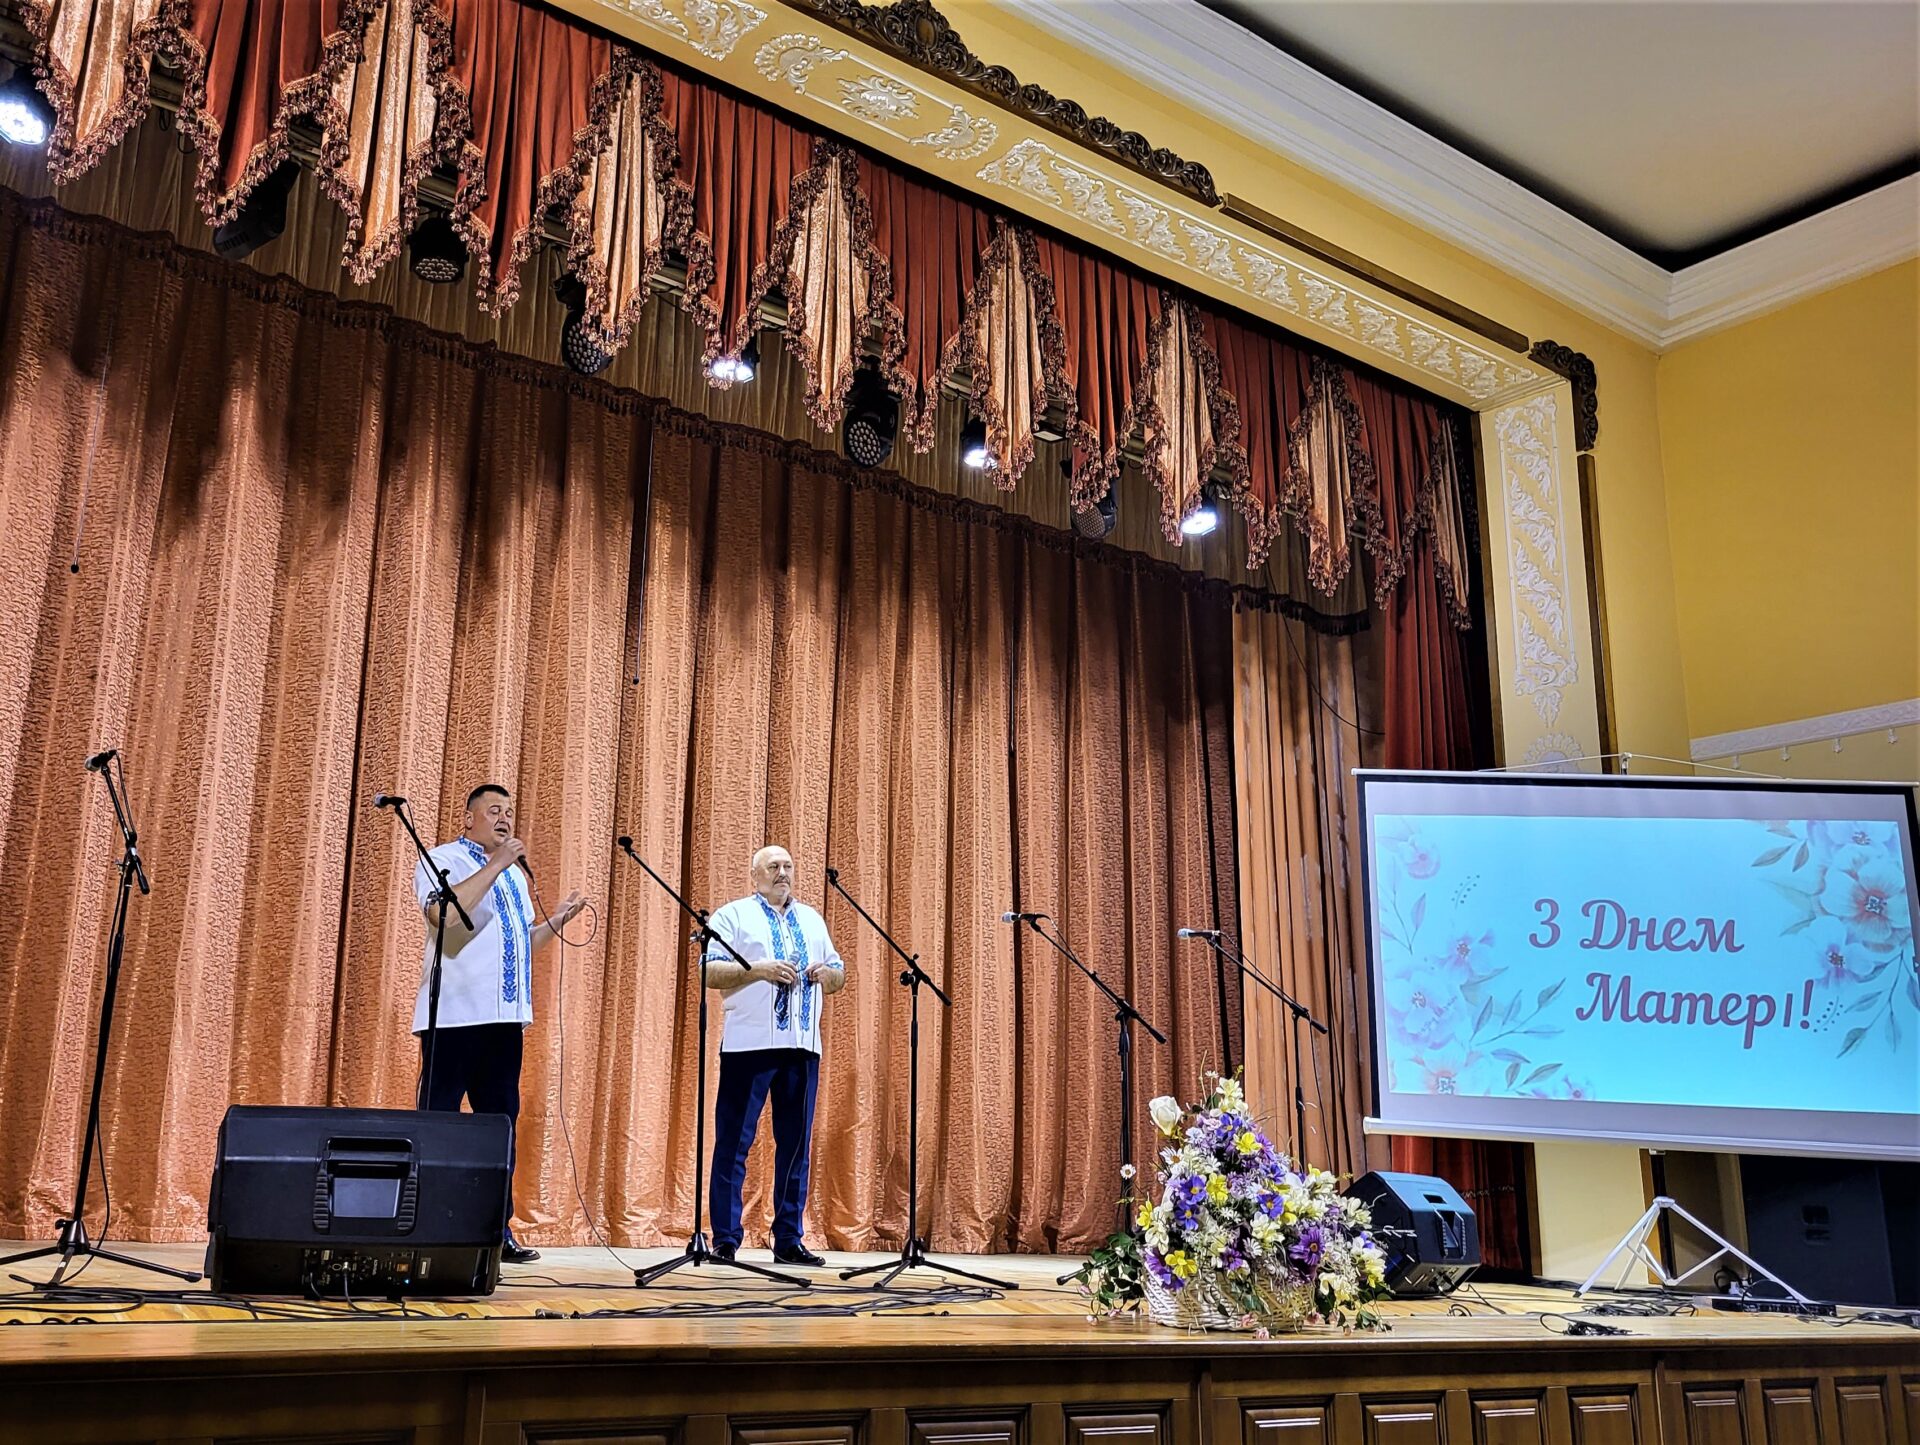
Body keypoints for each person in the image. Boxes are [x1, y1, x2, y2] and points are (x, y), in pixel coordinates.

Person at [413, 782, 584, 1264]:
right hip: (454, 1017)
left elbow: (521, 943)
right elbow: (443, 917)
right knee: (440, 1121)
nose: (504, 818)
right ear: (469, 818)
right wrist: (495, 864)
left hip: (504, 1020)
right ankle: (428, 1223)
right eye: (493, 810)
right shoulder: (443, 858)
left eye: (509, 811)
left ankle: (495, 1228)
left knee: (500, 1125)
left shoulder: (512, 878)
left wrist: (557, 921)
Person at [702, 844, 845, 1266]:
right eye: (773, 866)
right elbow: (708, 970)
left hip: (802, 1046)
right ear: (755, 875)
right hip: (749, 1045)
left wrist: (828, 975)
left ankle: (788, 1238)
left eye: (788, 866)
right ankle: (726, 1238)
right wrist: (757, 970)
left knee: (796, 1146)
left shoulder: (812, 919)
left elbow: (839, 973)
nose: (782, 873)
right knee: (734, 1143)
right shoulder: (734, 915)